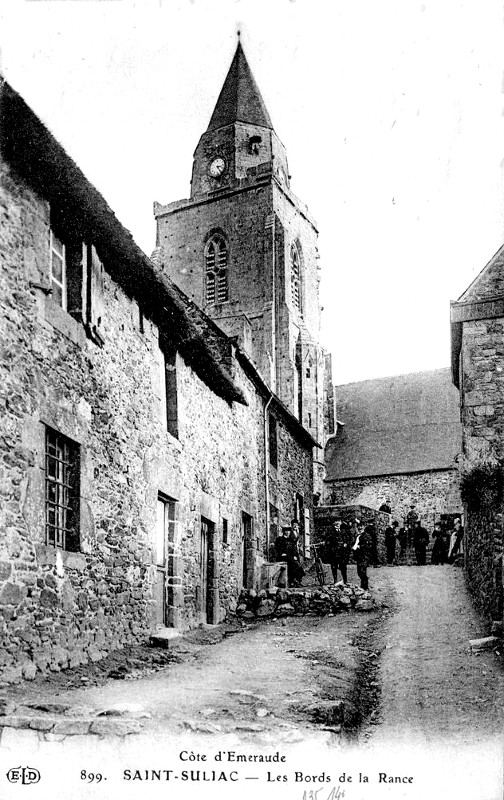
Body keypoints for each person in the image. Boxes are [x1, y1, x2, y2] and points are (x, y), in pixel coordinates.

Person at [325, 519, 352, 583]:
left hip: (342, 552)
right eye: (336, 524)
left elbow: (347, 539)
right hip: (334, 552)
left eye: (339, 524)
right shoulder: (330, 532)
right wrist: (333, 546)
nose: (338, 525)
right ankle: (335, 580)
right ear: (334, 525)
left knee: (343, 566)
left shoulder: (343, 531)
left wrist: (346, 543)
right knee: (334, 567)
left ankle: (345, 580)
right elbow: (327, 542)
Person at [352, 523, 372, 590]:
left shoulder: (367, 536)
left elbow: (368, 545)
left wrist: (360, 546)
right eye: (359, 527)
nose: (360, 529)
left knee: (362, 571)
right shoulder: (357, 536)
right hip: (359, 556)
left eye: (361, 527)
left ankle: (365, 587)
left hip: (364, 556)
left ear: (364, 527)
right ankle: (362, 586)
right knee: (359, 571)